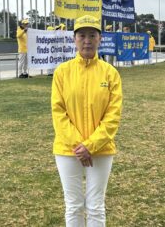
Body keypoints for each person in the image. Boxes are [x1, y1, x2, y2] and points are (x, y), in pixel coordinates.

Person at [51, 15, 123, 226]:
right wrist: (78, 146)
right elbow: (58, 111)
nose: (87, 40)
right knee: (73, 206)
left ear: (100, 39)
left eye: (92, 35)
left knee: (95, 206)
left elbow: (113, 115)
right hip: (67, 150)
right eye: (82, 35)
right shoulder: (62, 72)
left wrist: (90, 146)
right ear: (75, 39)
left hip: (100, 150)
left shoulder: (110, 73)